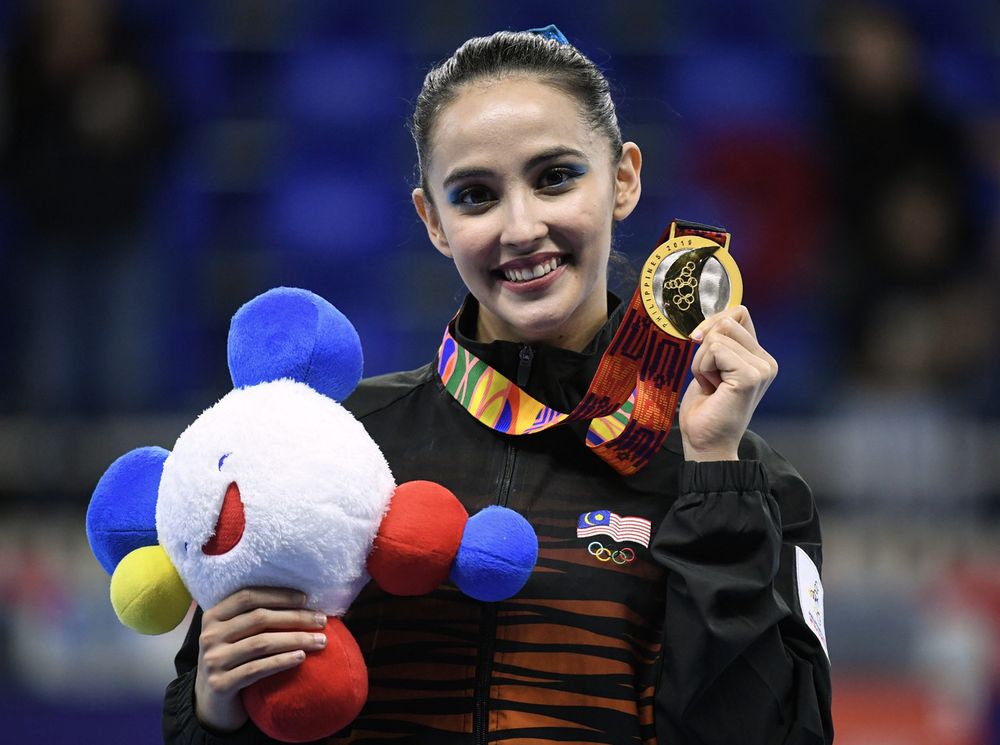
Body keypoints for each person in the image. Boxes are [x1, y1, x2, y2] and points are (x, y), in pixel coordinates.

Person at [163, 27, 833, 744]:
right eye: (477, 195)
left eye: (555, 178)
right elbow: (223, 716)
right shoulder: (326, 445)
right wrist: (214, 705)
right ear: (434, 222)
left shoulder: (746, 480)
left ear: (624, 180)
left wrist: (715, 481)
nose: (522, 226)